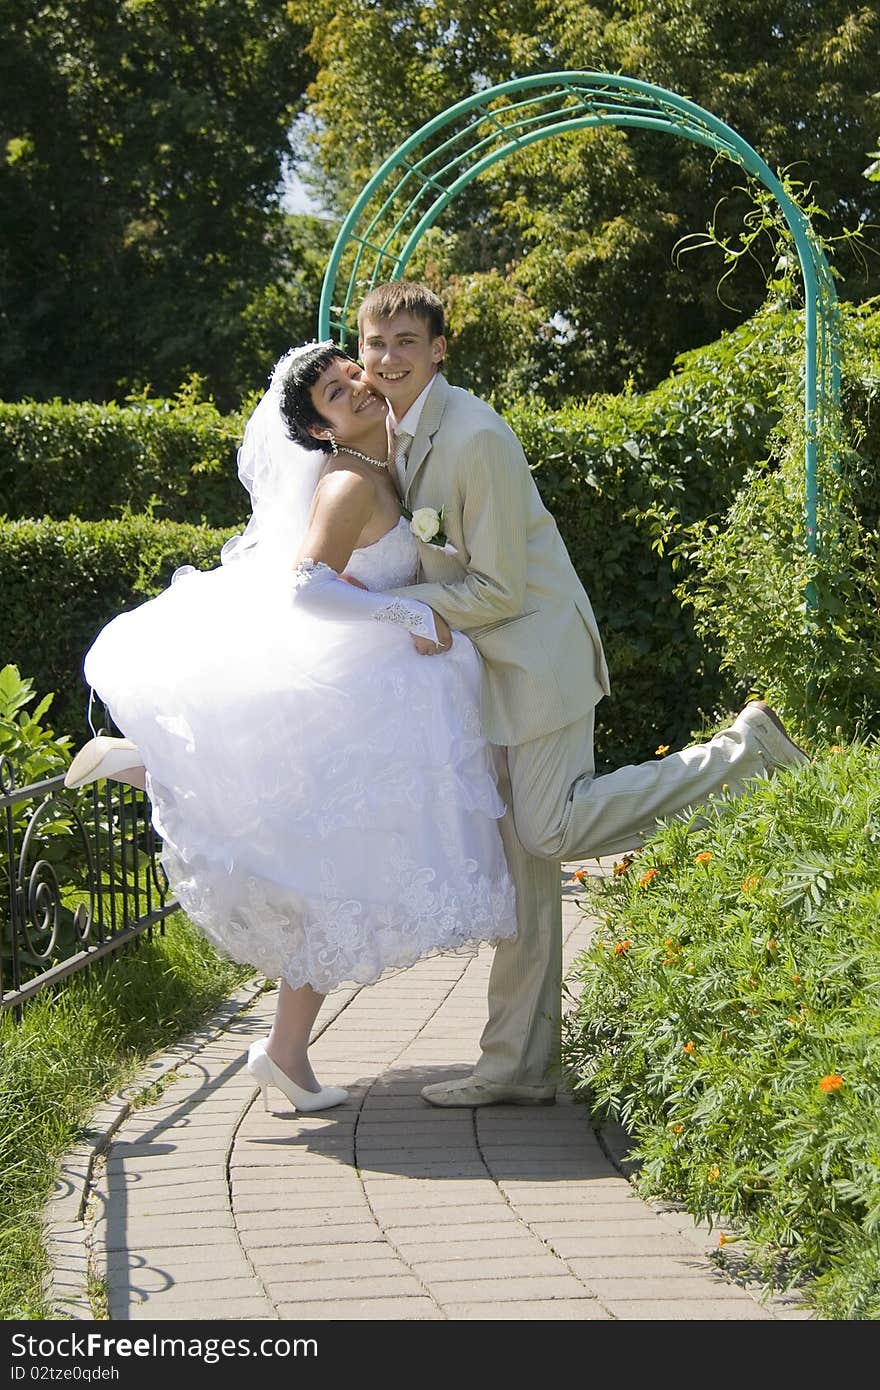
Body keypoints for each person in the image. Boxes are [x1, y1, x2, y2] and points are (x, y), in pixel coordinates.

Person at [355, 279, 808, 1109]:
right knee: (526, 876)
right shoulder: (394, 431)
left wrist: (387, 606)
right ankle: (518, 1066)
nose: (387, 359)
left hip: (539, 658)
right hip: (492, 675)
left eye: (406, 343)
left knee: (548, 827)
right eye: (375, 344)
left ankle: (745, 756)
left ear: (439, 348)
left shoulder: (474, 437)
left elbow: (494, 588)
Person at [64, 342, 517, 1114]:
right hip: (367, 690)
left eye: (354, 377)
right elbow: (308, 587)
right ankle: (156, 767)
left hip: (376, 684)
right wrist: (405, 609)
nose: (361, 390)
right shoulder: (348, 482)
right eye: (340, 396)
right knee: (318, 860)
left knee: (327, 877)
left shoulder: (381, 469)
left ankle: (284, 1054)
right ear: (319, 432)